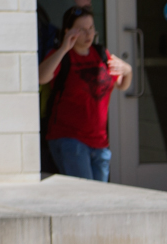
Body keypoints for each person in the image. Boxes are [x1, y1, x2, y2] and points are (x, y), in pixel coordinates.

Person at [38, 7, 131, 182]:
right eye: (81, 29)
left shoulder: (101, 54)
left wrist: (128, 71)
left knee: (97, 198)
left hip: (100, 143)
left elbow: (121, 85)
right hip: (69, 140)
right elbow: (41, 77)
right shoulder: (61, 56)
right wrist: (65, 47)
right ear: (68, 31)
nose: (88, 34)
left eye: (91, 28)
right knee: (85, 195)